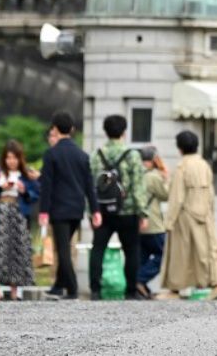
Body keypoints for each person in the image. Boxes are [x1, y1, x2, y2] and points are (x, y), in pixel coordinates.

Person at [38, 112, 99, 301]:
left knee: (62, 249)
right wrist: (95, 209)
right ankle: (58, 286)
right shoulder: (82, 155)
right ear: (72, 130)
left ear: (55, 129)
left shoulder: (51, 154)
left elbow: (47, 185)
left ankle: (72, 289)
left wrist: (43, 211)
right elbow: (89, 184)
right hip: (77, 209)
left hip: (58, 209)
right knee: (64, 246)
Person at [88, 114, 146, 300]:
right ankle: (130, 291)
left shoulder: (96, 155)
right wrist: (142, 212)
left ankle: (95, 290)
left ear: (105, 132)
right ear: (124, 131)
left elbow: (90, 186)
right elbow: (138, 185)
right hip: (127, 211)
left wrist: (92, 211)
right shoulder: (132, 155)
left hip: (103, 210)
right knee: (131, 250)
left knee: (98, 249)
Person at [163, 130, 217, 300]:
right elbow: (211, 192)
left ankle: (175, 289)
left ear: (179, 148)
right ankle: (216, 283)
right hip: (204, 212)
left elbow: (176, 197)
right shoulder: (204, 164)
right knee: (207, 251)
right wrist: (211, 213)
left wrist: (169, 221)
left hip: (186, 214)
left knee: (180, 253)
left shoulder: (181, 166)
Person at [0, 140, 40, 301]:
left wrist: (24, 190)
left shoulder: (26, 174)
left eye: (14, 158)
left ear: (20, 159)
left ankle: (15, 293)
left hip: (19, 215)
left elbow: (35, 195)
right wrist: (1, 188)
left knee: (17, 252)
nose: (11, 161)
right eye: (8, 158)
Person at [138, 147, 170, 298]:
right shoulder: (153, 177)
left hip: (139, 225)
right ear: (153, 160)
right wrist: (165, 176)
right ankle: (140, 280)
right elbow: (166, 195)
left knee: (142, 257)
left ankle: (139, 286)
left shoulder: (137, 174)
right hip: (154, 225)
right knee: (163, 256)